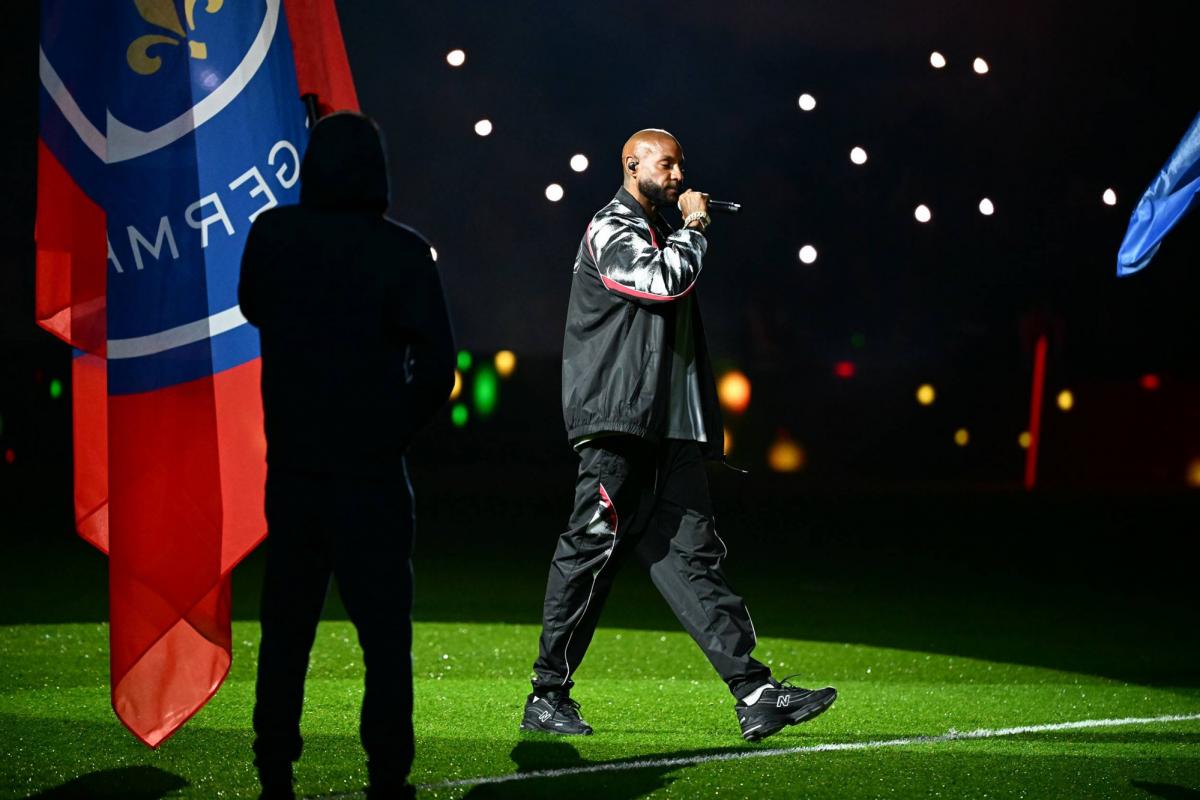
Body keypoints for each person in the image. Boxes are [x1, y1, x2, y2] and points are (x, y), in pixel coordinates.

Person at [522, 129, 836, 742]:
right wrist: (695, 227)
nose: (677, 175)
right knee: (588, 554)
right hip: (618, 425)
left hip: (668, 433)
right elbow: (663, 282)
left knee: (694, 561)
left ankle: (755, 692)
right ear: (630, 164)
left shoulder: (655, 231)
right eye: (666, 164)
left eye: (680, 166)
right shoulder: (611, 227)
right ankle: (546, 695)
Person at [239, 111, 455, 800]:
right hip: (371, 472)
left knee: (287, 628)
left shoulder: (273, 235)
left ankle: (275, 756)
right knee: (385, 637)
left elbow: (253, 305)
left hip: (296, 466)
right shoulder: (401, 251)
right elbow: (437, 365)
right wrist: (390, 428)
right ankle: (388, 769)